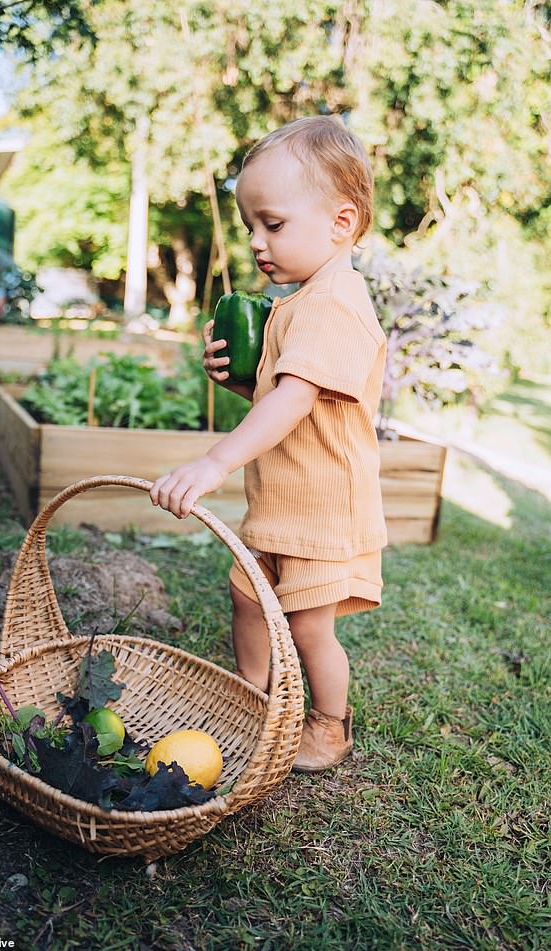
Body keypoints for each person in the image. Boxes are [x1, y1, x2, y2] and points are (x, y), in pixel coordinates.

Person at [150, 115, 387, 771]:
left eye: (273, 224)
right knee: (249, 598)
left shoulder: (336, 300)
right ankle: (249, 697)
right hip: (281, 502)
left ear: (341, 223)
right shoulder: (295, 301)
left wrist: (216, 457)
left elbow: (296, 397)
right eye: (251, 224)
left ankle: (329, 725)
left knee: (310, 626)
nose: (257, 241)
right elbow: (277, 397)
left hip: (324, 510)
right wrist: (238, 383)